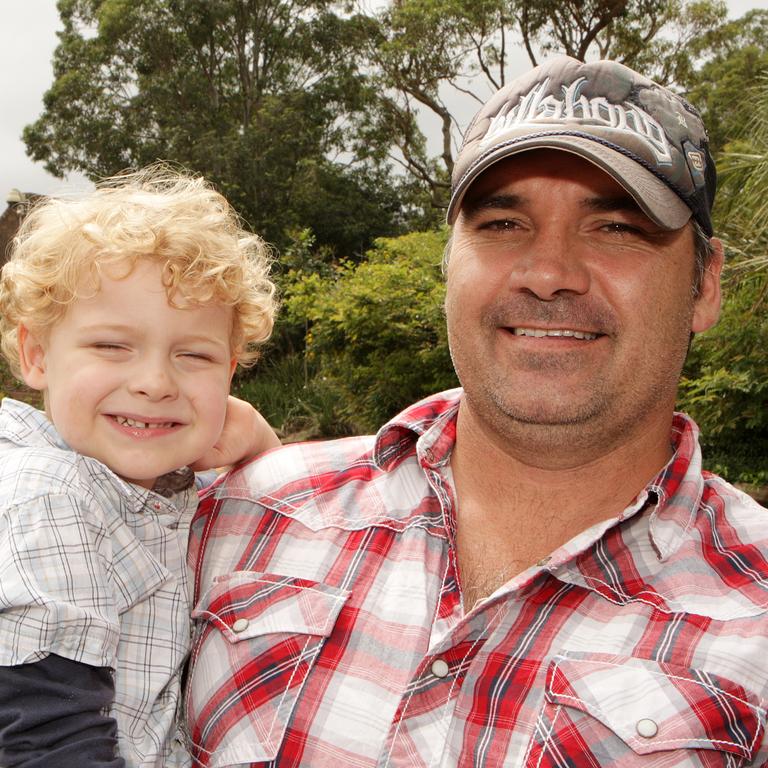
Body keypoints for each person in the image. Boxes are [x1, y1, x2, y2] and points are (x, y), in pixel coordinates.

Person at [185, 56, 768, 767]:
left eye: (616, 227)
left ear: (706, 285)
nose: (549, 273)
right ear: (449, 262)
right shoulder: (242, 514)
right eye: (501, 222)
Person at [0, 166, 280, 768]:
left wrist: (260, 444)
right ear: (36, 354)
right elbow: (45, 738)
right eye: (111, 346)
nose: (154, 382)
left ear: (230, 375)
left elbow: (294, 533)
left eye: (194, 355)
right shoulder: (48, 496)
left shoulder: (169, 488)